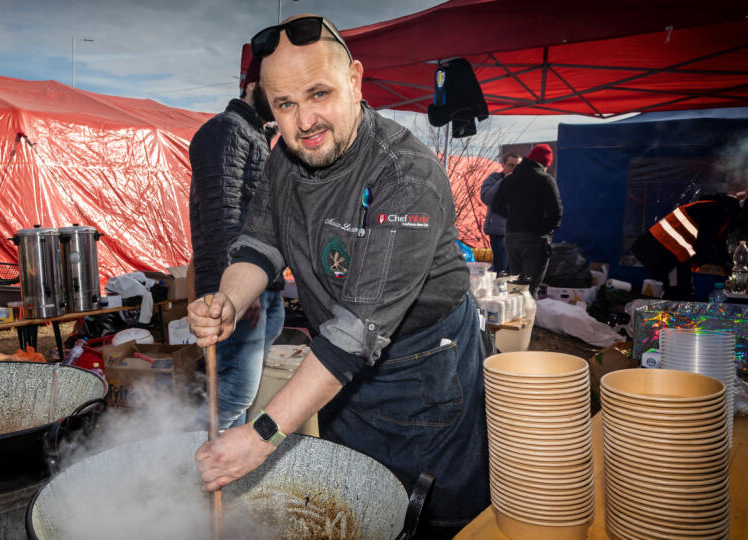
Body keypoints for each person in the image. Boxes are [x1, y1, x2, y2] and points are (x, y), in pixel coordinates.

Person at [189, 15, 489, 536]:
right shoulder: (286, 158)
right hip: (338, 378)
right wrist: (230, 302)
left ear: (355, 78)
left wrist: (260, 436)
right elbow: (260, 243)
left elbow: (357, 331)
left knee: (429, 521)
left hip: (422, 378)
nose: (305, 121)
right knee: (353, 511)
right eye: (285, 104)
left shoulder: (405, 175)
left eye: (319, 93)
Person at [188, 56, 285, 429]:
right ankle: (181, 468)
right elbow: (222, 214)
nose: (279, 97)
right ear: (250, 85)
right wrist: (241, 289)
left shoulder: (257, 135)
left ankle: (224, 476)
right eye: (273, 88)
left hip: (264, 287)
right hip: (236, 290)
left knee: (243, 396)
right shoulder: (225, 131)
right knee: (233, 393)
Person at [630, 193, 743, 299]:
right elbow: (704, 247)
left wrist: (728, 263)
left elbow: (719, 244)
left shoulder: (715, 209)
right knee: (677, 292)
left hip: (666, 252)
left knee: (682, 290)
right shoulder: (718, 212)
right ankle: (670, 317)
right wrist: (722, 264)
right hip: (664, 252)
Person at [491, 144, 562, 294]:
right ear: (545, 164)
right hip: (535, 240)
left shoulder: (509, 180)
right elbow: (556, 213)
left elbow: (496, 206)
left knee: (516, 288)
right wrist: (544, 230)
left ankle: (515, 315)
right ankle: (527, 317)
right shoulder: (545, 180)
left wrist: (514, 217)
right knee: (530, 289)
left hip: (511, 238)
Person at [480, 153, 521, 273]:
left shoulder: (524, 182)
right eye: (511, 165)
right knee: (501, 269)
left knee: (515, 271)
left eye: (517, 166)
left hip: (518, 233)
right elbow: (486, 198)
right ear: (503, 165)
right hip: (499, 232)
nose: (514, 169)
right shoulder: (494, 179)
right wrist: (503, 182)